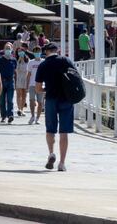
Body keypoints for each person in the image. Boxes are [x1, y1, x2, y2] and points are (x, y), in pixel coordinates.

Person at [35, 42, 76, 172]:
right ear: (57, 50)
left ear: (46, 51)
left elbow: (37, 88)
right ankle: (62, 163)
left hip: (51, 99)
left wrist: (46, 89)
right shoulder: (66, 61)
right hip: (67, 99)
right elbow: (76, 77)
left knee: (50, 129)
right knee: (64, 132)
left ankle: (51, 153)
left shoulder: (43, 65)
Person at [0, 43, 17, 124]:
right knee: (2, 101)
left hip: (10, 81)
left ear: (12, 49)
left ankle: (10, 115)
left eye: (9, 48)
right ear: (4, 49)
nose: (8, 50)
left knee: (10, 100)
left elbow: (15, 71)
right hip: (1, 81)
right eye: (6, 48)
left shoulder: (14, 60)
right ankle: (3, 116)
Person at [27, 46, 44, 124]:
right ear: (34, 53)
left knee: (40, 102)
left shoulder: (43, 62)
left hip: (41, 84)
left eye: (38, 51)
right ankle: (32, 116)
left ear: (41, 52)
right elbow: (29, 74)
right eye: (36, 52)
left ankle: (37, 118)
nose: (37, 53)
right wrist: (27, 85)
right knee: (31, 100)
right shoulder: (31, 62)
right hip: (32, 84)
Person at [15, 46, 29, 117]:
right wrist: (18, 61)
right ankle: (19, 109)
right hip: (19, 78)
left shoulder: (27, 59)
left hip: (25, 78)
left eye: (21, 51)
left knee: (24, 94)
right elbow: (16, 70)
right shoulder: (16, 60)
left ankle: (22, 109)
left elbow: (28, 69)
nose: (20, 52)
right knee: (19, 94)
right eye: (19, 51)